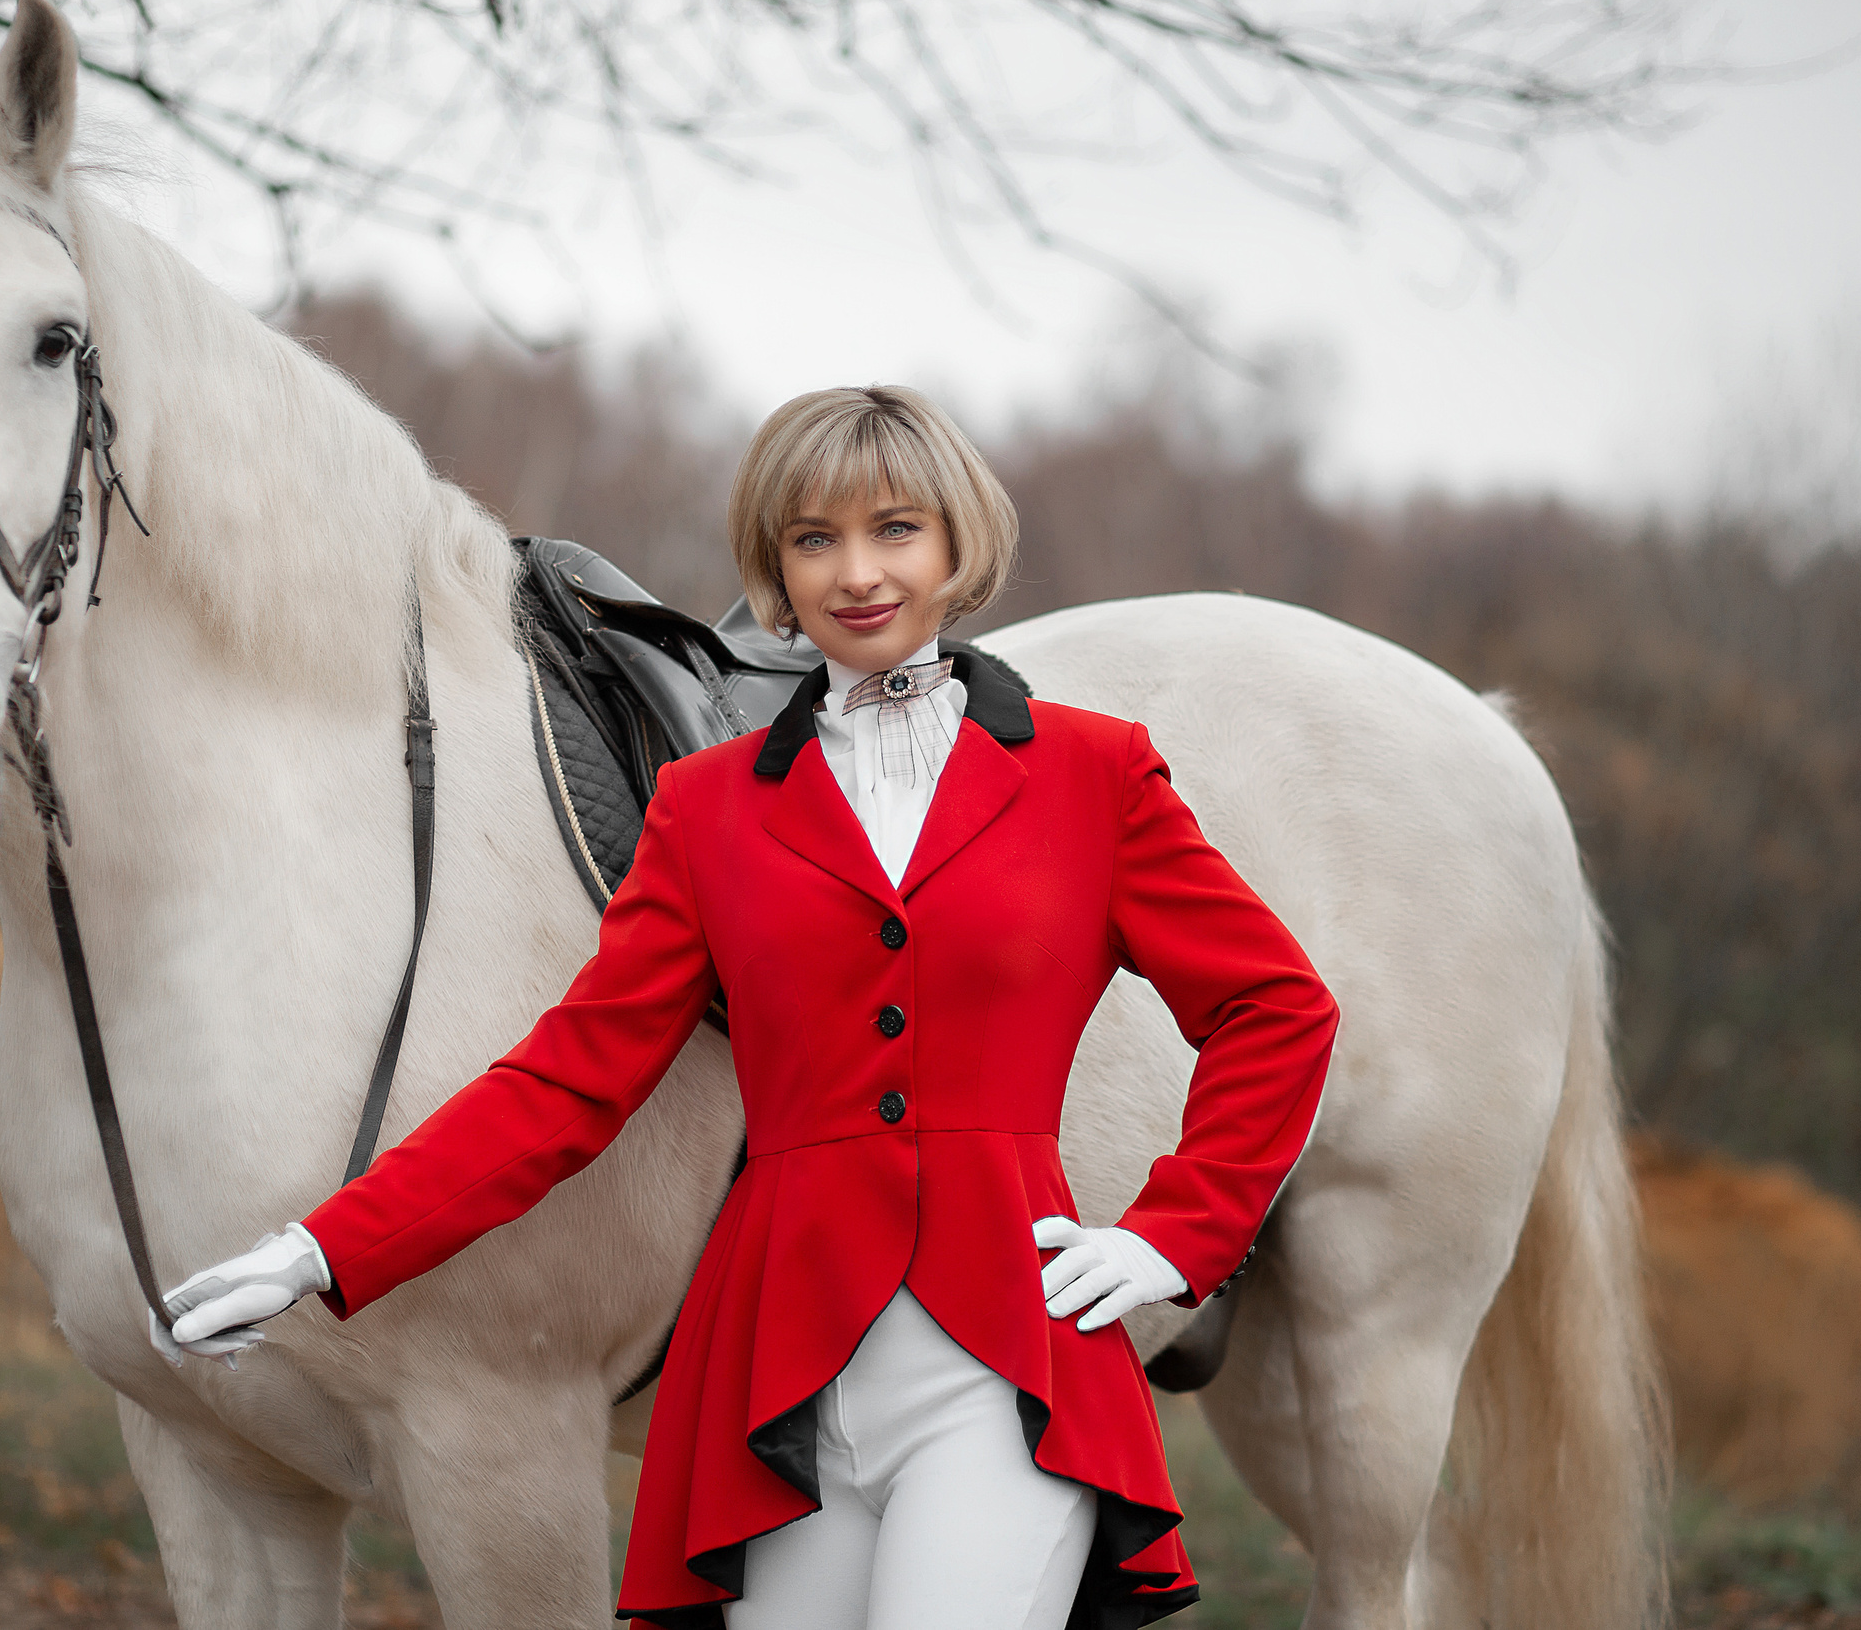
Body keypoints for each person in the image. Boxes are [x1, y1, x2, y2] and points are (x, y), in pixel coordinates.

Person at [163, 386, 1339, 1629]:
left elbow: (1276, 1007)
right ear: (775, 567)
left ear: (957, 545)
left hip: (1009, 1358)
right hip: (777, 1379)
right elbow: (569, 1081)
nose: (857, 572)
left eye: (896, 529)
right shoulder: (704, 808)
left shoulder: (1094, 774)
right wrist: (323, 1247)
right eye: (813, 539)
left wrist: (1175, 1232)